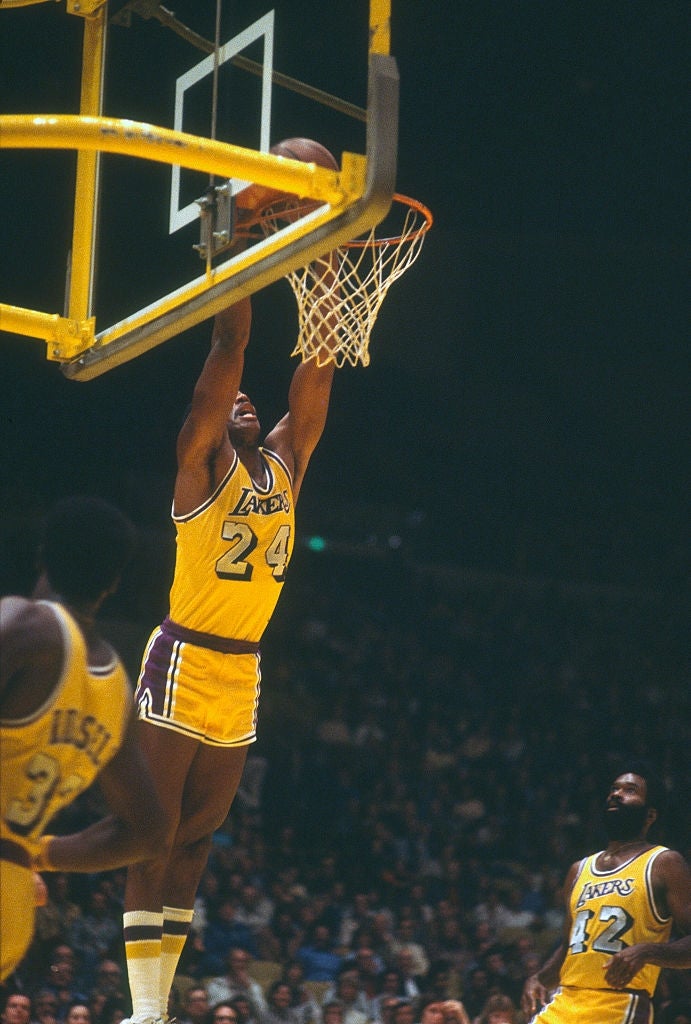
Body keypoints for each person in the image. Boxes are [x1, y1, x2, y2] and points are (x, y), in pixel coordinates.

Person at [122, 291, 337, 1024]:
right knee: (153, 837)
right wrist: (245, 263)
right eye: (232, 403)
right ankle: (143, 1012)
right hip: (182, 657)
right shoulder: (200, 470)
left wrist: (327, 276)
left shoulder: (285, 465)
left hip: (241, 670)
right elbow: (226, 351)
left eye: (251, 402)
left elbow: (317, 374)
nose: (243, 402)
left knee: (197, 842)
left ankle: (157, 1004)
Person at [0, 495, 167, 982]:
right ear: (113, 584)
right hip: (12, 901)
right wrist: (40, 852)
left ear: (42, 556)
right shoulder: (118, 689)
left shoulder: (27, 625)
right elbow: (149, 832)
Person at [521, 764, 691, 1023]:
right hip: (564, 1001)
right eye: (614, 789)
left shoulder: (664, 862)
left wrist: (646, 951)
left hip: (619, 1003)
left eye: (630, 790)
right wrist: (540, 978)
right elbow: (569, 946)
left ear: (650, 815)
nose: (616, 794)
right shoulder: (578, 869)